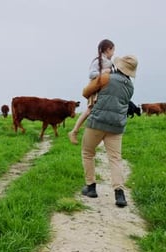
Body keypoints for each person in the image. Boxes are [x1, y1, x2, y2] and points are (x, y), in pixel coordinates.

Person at [80, 55, 138, 208]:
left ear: (117, 66)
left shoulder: (106, 77)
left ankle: (91, 187)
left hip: (97, 122)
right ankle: (119, 194)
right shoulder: (130, 87)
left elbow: (85, 92)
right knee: (115, 158)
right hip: (117, 126)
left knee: (87, 152)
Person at [68, 39, 116, 145]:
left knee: (99, 112)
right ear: (109, 49)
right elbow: (91, 74)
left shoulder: (109, 62)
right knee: (90, 111)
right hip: (96, 91)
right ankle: (74, 131)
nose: (114, 53)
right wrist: (105, 71)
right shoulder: (98, 60)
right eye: (113, 50)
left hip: (104, 90)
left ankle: (99, 137)